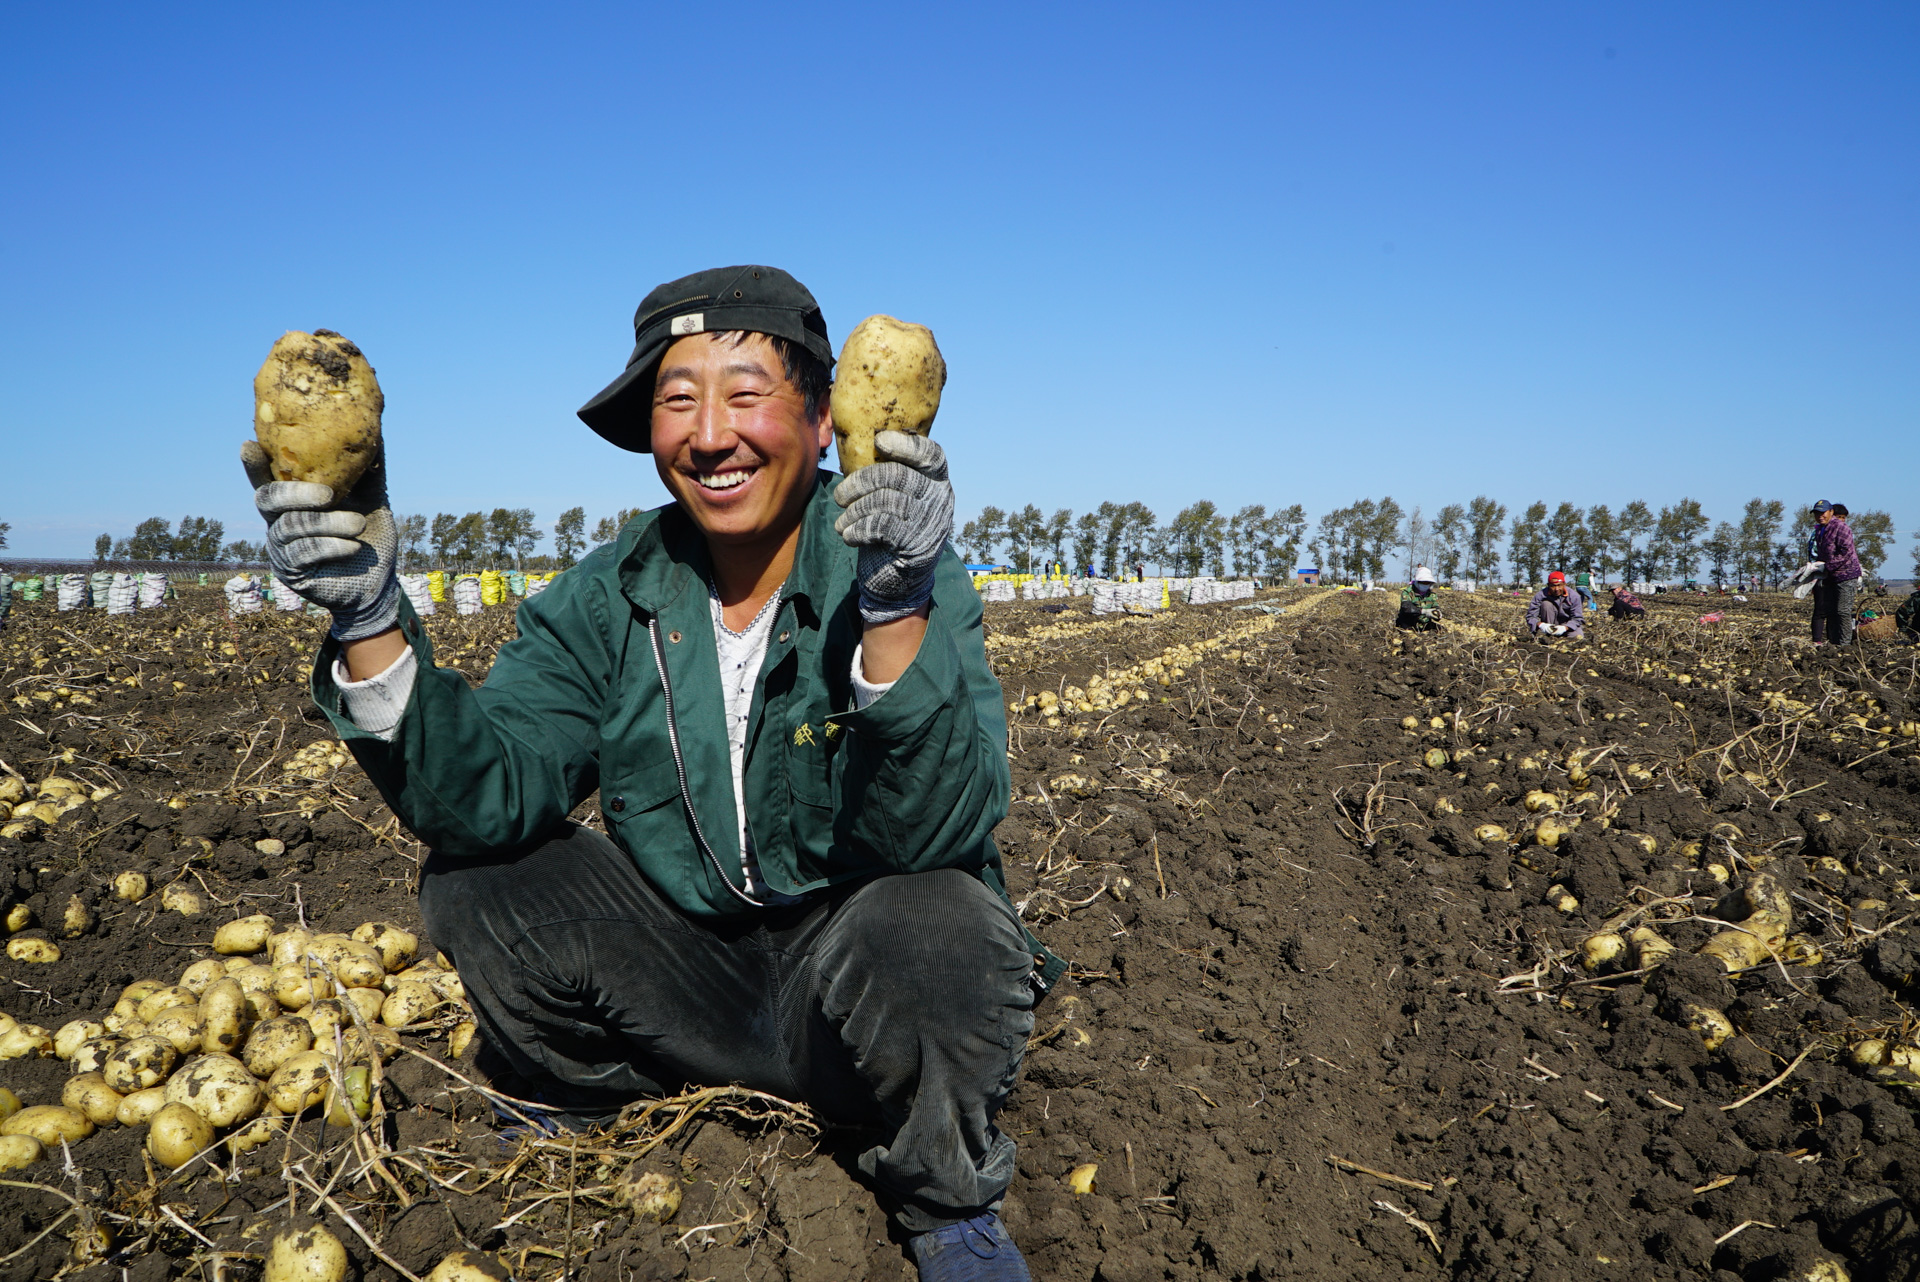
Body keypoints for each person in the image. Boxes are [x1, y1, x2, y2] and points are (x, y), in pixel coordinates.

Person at [242, 266, 1057, 1282]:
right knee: (484, 879)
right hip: (689, 981)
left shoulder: (892, 572)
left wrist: (894, 609)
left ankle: (946, 1200)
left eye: (746, 394)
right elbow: (484, 795)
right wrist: (364, 620)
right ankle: (596, 1090)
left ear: (821, 420)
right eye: (679, 400)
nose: (710, 433)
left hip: (849, 986)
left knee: (940, 920)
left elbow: (942, 827)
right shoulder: (611, 591)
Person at [1809, 499, 1863, 645]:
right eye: (1817, 513)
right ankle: (1833, 642)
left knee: (1842, 611)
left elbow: (1846, 552)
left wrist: (1828, 566)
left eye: (1823, 513)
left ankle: (1844, 644)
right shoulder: (1820, 530)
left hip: (1846, 574)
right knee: (1831, 611)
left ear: (1831, 512)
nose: (1820, 516)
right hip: (1830, 576)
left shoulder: (1841, 528)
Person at [1526, 570, 1585, 638]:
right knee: (1546, 604)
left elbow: (1577, 618)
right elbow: (1531, 616)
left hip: (1567, 625)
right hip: (1548, 624)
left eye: (1559, 585)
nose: (1556, 589)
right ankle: (1548, 634)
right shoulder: (1540, 595)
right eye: (1553, 586)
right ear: (1548, 585)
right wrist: (1542, 625)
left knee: (1577, 637)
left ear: (1564, 584)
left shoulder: (1574, 597)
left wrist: (1565, 628)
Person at [1395, 566, 1442, 630]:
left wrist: (1437, 613)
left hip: (1424, 624)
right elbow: (1406, 607)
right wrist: (1423, 611)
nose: (1425, 585)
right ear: (1417, 582)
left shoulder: (1431, 595)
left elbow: (1435, 606)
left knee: (1440, 629)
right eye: (1423, 582)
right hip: (1408, 624)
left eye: (1427, 583)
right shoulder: (1408, 592)